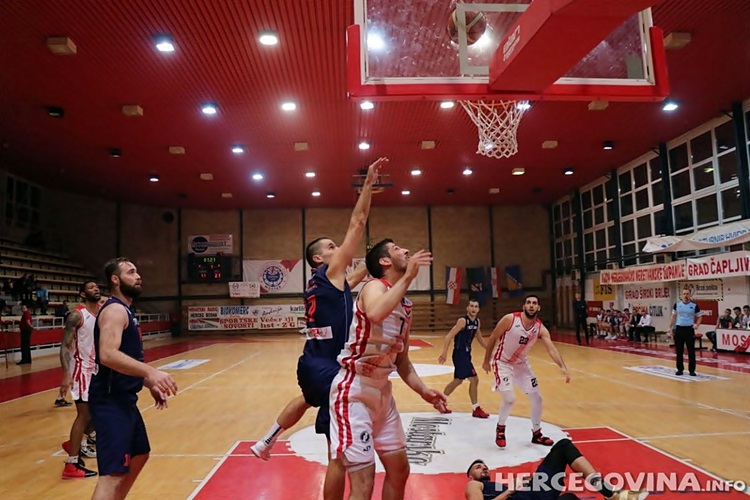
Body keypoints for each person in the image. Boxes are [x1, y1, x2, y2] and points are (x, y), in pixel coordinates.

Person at [251, 158, 386, 498]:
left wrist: (378, 262)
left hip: (312, 362)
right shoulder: (329, 273)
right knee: (338, 454)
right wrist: (367, 185)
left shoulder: (322, 283)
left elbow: (360, 277)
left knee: (310, 403)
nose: (337, 249)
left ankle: (267, 439)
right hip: (328, 368)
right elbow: (357, 221)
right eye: (331, 247)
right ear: (318, 259)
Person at [329, 239, 447, 500]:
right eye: (396, 249)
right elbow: (375, 314)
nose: (405, 250)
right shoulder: (374, 286)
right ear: (384, 261)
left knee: (399, 470)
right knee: (363, 483)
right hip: (354, 391)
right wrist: (409, 277)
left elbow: (402, 360)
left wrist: (424, 391)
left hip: (382, 394)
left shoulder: (405, 306)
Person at [88, 257, 178, 500]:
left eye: (137, 272)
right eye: (130, 272)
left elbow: (124, 361)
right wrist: (150, 372)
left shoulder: (125, 309)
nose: (138, 276)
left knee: (140, 454)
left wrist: (148, 382)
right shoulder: (115, 310)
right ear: (115, 280)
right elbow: (108, 355)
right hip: (109, 401)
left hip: (124, 400)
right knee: (113, 474)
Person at [482, 295, 570, 449]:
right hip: (502, 362)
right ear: (524, 306)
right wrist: (486, 360)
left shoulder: (540, 328)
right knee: (509, 399)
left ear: (538, 307)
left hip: (521, 365)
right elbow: (494, 336)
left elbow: (551, 349)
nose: (531, 305)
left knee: (537, 398)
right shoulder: (510, 319)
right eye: (528, 303)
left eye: (534, 303)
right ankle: (500, 428)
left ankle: (537, 433)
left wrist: (562, 366)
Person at [465, 438, 648, 500]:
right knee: (563, 447)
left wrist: (519, 486)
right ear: (470, 476)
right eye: (478, 467)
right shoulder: (473, 485)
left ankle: (611, 493)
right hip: (536, 495)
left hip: (536, 494)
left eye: (484, 466)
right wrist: (511, 490)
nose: (484, 468)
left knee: (570, 498)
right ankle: (610, 493)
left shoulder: (493, 487)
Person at [59, 281, 101, 479]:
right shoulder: (77, 315)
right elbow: (65, 346)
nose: (96, 289)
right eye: (91, 287)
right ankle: (71, 464)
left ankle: (74, 442)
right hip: (81, 371)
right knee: (84, 415)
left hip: (96, 370)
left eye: (97, 286)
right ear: (83, 294)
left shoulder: (101, 311)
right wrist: (65, 374)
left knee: (96, 413)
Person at [437, 299, 490, 418]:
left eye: (476, 306)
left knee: (458, 380)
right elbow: (449, 336)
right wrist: (444, 352)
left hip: (466, 354)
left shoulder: (477, 322)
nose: (473, 308)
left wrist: (490, 349)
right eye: (471, 306)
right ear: (467, 308)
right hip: (460, 354)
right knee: (474, 379)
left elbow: (480, 339)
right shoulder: (462, 321)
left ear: (478, 309)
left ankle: (440, 401)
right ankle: (476, 408)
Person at [668, 288, 702, 376]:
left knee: (691, 351)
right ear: (682, 295)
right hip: (679, 329)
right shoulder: (677, 305)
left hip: (689, 329)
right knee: (679, 351)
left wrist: (697, 325)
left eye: (687, 294)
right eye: (684, 294)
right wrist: (670, 327)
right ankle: (680, 369)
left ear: (690, 295)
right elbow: (673, 316)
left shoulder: (694, 305)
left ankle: (692, 370)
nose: (685, 295)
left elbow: (700, 317)